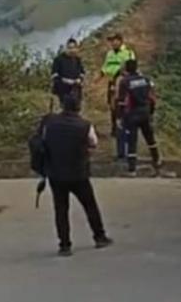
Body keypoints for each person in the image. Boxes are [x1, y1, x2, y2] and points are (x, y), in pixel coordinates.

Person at [40, 93, 113, 257]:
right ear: (78, 107)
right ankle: (99, 236)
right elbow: (93, 143)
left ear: (63, 106)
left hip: (56, 174)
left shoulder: (50, 123)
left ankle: (64, 245)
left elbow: (43, 142)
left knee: (61, 209)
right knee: (90, 205)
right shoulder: (84, 125)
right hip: (78, 173)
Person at [117, 59, 161, 176]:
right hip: (145, 112)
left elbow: (121, 102)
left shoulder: (124, 82)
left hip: (132, 114)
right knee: (150, 138)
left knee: (132, 141)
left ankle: (132, 169)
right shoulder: (146, 80)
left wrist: (119, 117)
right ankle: (157, 160)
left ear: (126, 69)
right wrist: (151, 112)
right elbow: (152, 98)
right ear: (137, 68)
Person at [100, 33, 136, 159]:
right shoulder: (109, 54)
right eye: (111, 41)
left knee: (124, 103)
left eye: (115, 41)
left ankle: (126, 125)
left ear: (120, 41)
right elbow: (104, 67)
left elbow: (132, 67)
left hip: (124, 81)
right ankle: (114, 127)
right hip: (112, 81)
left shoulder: (128, 53)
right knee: (112, 104)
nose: (113, 43)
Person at [51, 38, 85, 106]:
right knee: (63, 109)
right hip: (62, 91)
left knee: (76, 109)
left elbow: (82, 72)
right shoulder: (58, 59)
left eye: (74, 48)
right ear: (66, 48)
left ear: (76, 48)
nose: (72, 50)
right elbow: (54, 75)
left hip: (75, 90)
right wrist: (65, 80)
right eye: (70, 48)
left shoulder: (78, 60)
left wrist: (79, 79)